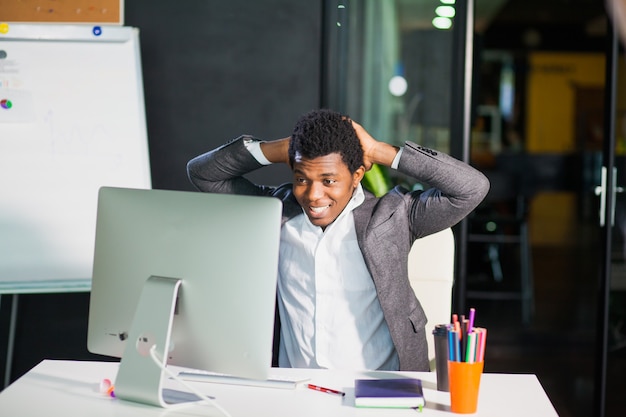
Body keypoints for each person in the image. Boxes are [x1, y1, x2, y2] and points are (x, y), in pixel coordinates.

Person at [187, 109, 490, 372]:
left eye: (329, 181)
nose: (313, 195)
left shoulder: (394, 216)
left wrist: (380, 151)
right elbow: (204, 175)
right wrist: (282, 149)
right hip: (295, 389)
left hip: (379, 388)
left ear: (357, 175)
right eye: (302, 178)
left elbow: (471, 188)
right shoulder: (274, 211)